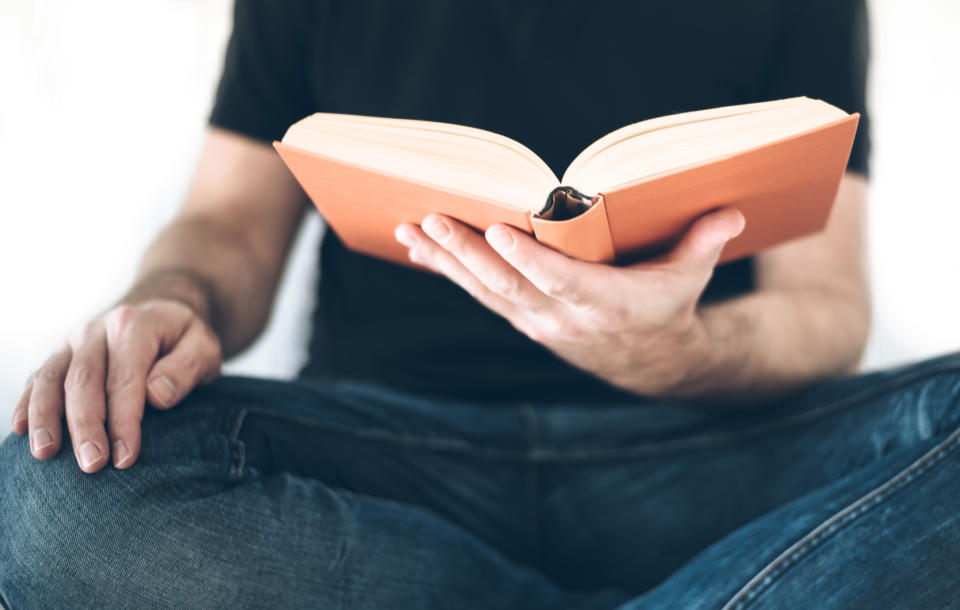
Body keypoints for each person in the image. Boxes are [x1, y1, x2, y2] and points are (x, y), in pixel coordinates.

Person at [1, 0, 958, 607]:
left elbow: (827, 307)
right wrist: (173, 296)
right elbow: (227, 224)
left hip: (700, 465)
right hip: (387, 470)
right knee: (50, 497)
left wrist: (667, 352)